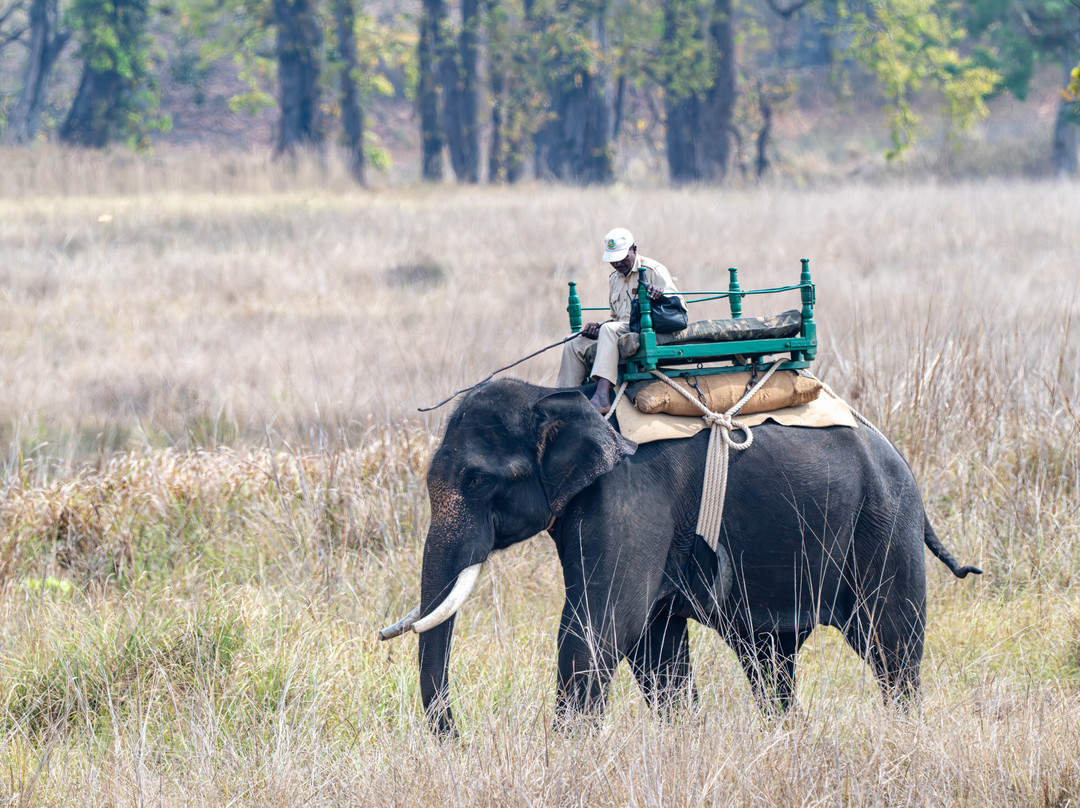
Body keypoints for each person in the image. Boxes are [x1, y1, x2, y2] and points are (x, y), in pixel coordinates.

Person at [557, 227, 681, 414]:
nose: (618, 263)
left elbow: (679, 307)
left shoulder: (653, 270)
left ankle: (602, 396)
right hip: (620, 328)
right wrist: (599, 328)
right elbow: (616, 318)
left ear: (634, 249)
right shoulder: (614, 278)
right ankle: (564, 397)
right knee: (574, 340)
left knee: (610, 330)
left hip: (648, 328)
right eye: (613, 259)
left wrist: (659, 297)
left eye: (623, 257)